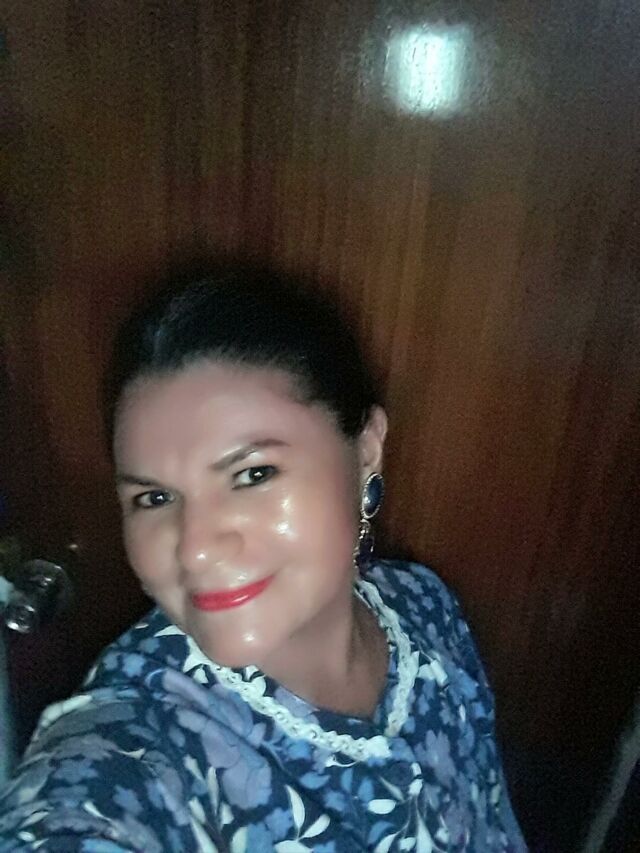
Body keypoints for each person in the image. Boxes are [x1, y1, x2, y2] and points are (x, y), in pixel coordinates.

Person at [0, 263, 527, 851]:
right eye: (154, 498)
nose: (195, 547)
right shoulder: (140, 740)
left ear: (365, 452)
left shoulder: (425, 606)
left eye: (253, 474)